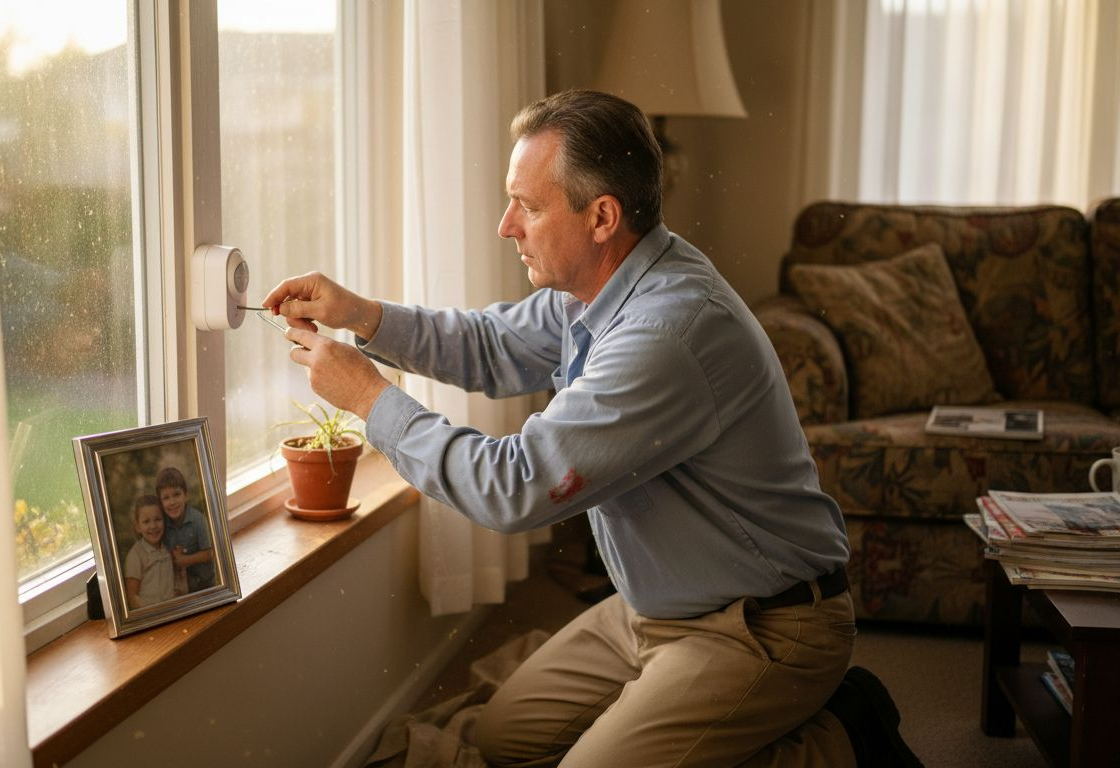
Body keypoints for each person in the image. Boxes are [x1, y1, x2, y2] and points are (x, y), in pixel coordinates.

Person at [262, 89, 922, 767]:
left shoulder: (667, 332)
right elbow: (491, 345)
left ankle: (846, 735)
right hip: (653, 609)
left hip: (764, 625)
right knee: (498, 739)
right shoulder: (604, 288)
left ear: (602, 216)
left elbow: (515, 488)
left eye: (528, 205)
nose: (505, 225)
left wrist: (370, 399)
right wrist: (362, 314)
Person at [156, 466, 216, 593]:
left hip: (206, 585)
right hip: (180, 589)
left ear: (186, 495)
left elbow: (211, 553)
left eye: (176, 494)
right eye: (166, 498)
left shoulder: (199, 520)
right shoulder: (162, 525)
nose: (172, 502)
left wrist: (186, 560)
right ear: (161, 503)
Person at [124, 494, 177, 608]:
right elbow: (132, 596)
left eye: (158, 519)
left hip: (171, 610)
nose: (153, 526)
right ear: (138, 526)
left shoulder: (167, 549)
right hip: (150, 614)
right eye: (146, 522)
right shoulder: (136, 555)